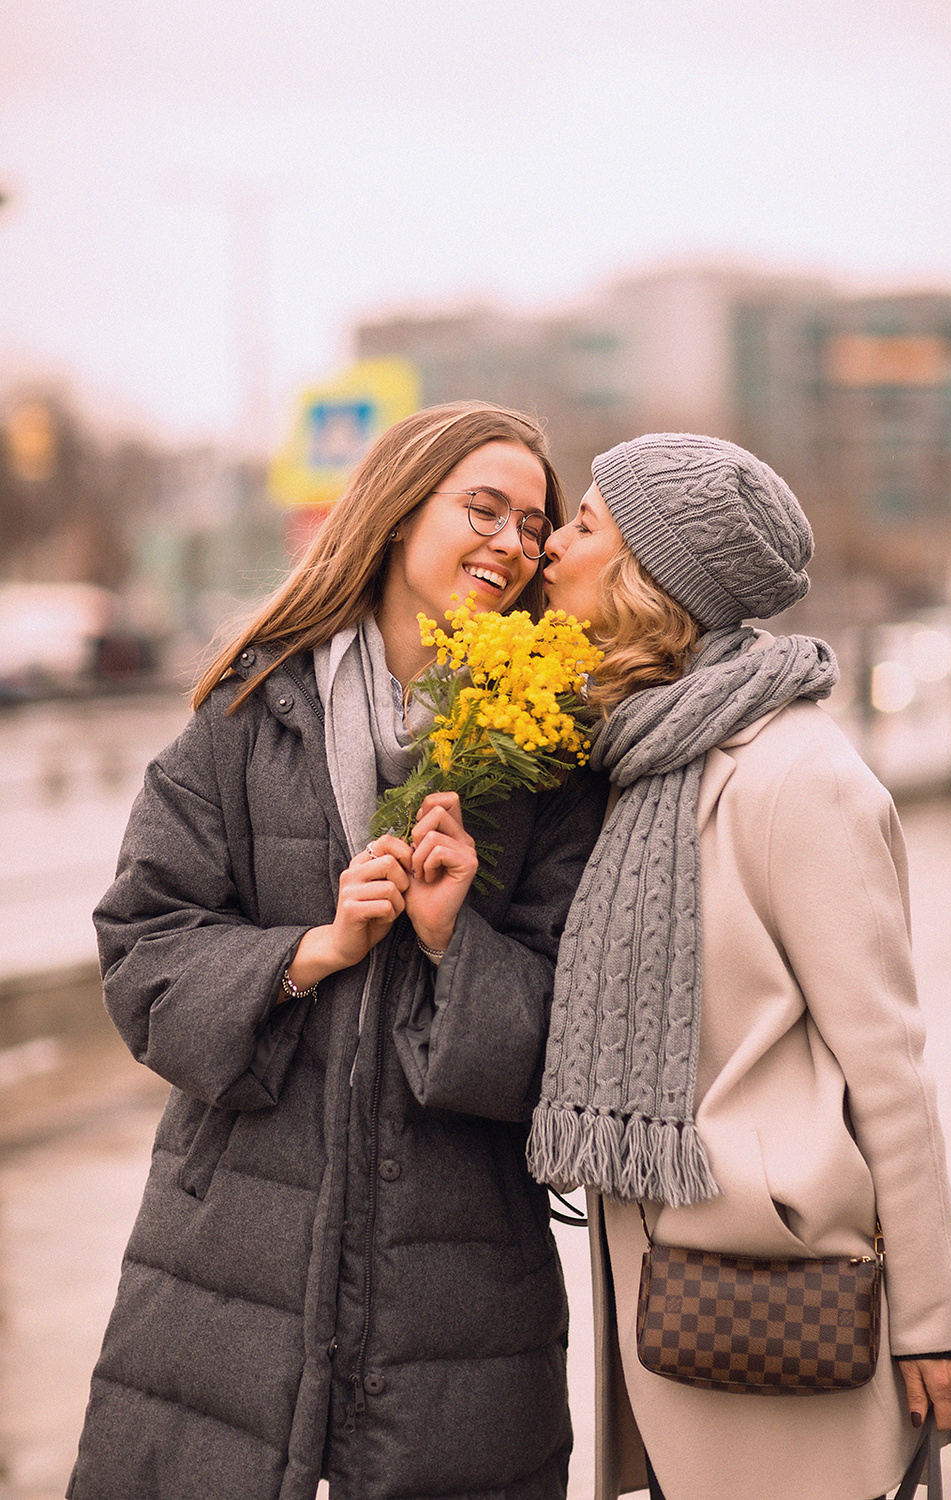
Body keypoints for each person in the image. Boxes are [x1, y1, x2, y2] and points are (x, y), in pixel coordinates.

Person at [67, 402, 607, 1500]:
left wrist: (454, 941)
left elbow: (578, 1031)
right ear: (400, 509)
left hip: (459, 1286)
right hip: (228, 1263)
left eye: (532, 524)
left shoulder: (555, 753)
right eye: (483, 509)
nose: (510, 543)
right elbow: (140, 950)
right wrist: (312, 948)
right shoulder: (246, 711)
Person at [526, 432, 951, 1500]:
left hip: (771, 1280)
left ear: (649, 579)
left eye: (585, 524)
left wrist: (934, 1326)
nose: (553, 543)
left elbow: (890, 1067)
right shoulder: (639, 758)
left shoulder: (797, 776)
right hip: (673, 1273)